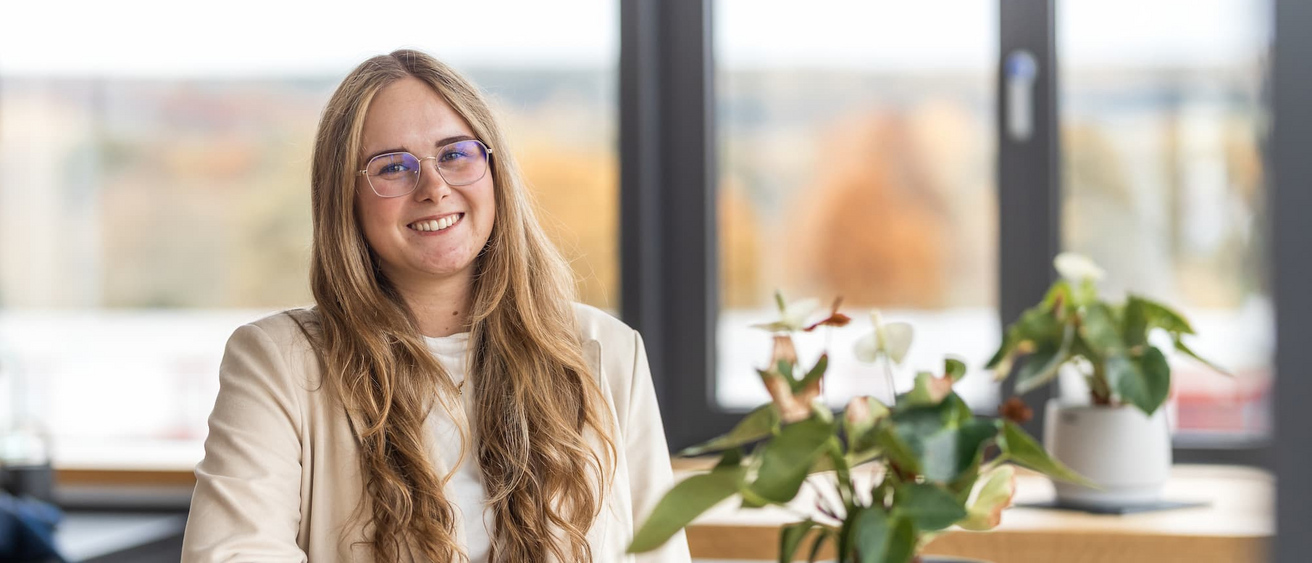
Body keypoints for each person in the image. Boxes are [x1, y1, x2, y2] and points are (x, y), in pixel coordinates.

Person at [181, 49, 690, 563]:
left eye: (454, 155)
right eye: (393, 167)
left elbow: (657, 552)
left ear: (494, 171)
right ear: (345, 197)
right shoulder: (276, 362)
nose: (434, 188)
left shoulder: (607, 352)